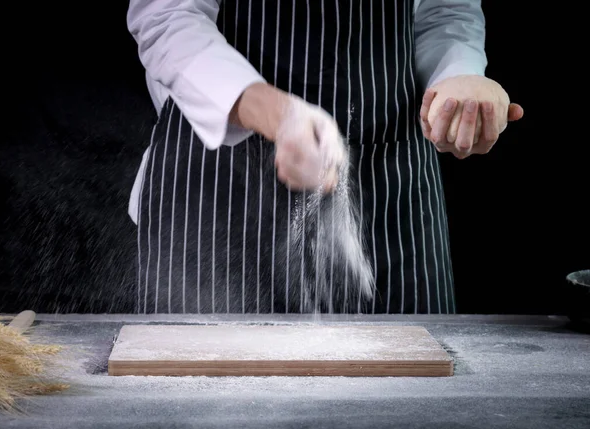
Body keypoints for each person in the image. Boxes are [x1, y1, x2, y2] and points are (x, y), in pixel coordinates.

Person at [125, 0, 524, 315]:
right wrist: (278, 115)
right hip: (216, 190)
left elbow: (445, 12)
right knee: (196, 409)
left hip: (393, 193)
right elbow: (168, 18)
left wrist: (457, 79)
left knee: (415, 407)